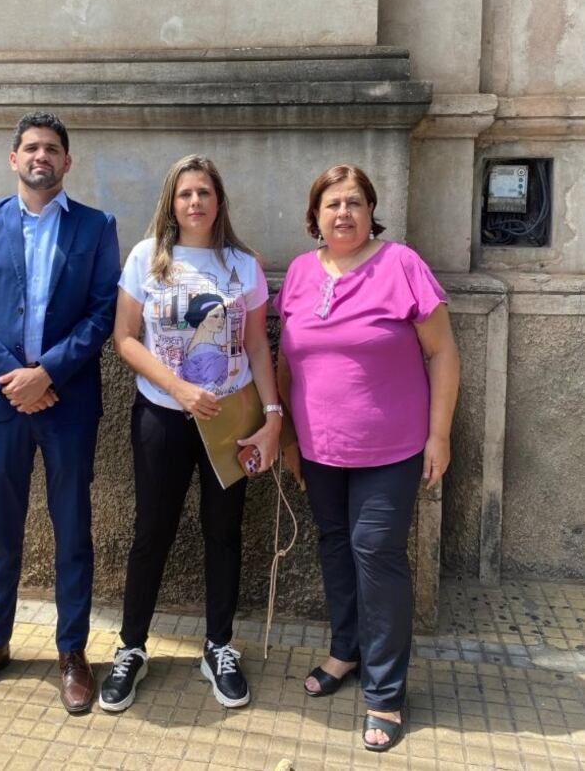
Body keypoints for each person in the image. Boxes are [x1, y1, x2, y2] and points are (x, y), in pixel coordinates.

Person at [274, 165, 459, 751]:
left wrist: (440, 435)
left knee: (375, 552)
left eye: (355, 203)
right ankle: (345, 650)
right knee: (333, 544)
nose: (343, 213)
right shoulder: (302, 272)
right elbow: (288, 358)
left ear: (371, 210)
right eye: (332, 204)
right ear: (316, 215)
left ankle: (386, 693)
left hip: (393, 446)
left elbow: (443, 352)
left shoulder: (401, 264)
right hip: (320, 446)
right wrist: (288, 437)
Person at [0, 112, 120, 713]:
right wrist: (15, 381)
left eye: (52, 149)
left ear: (68, 162)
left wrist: (47, 374)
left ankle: (73, 651)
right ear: (13, 159)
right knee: (0, 532)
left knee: (73, 530)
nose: (41, 156)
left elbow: (102, 314)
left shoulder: (97, 227)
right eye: (31, 148)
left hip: (67, 405)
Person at [99, 154, 282, 712]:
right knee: (152, 532)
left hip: (229, 420)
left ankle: (219, 646)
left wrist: (273, 417)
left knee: (224, 531)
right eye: (185, 194)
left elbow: (255, 345)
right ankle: (131, 648)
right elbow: (125, 338)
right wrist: (177, 390)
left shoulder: (242, 265)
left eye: (204, 192)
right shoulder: (146, 257)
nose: (195, 202)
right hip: (162, 416)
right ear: (171, 202)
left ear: (219, 200)